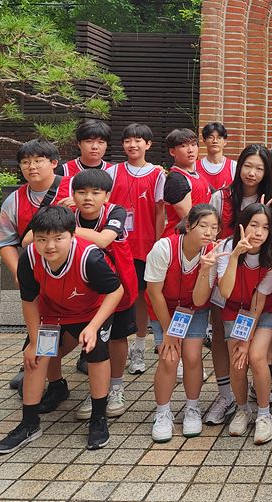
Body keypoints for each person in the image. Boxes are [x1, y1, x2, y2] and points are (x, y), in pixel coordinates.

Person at [0, 206, 123, 455]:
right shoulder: (29, 258)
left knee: (96, 353)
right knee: (36, 357)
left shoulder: (90, 258)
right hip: (52, 312)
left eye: (58, 238)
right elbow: (29, 300)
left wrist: (93, 327)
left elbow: (116, 291)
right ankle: (29, 423)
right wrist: (34, 341)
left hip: (91, 312)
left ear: (72, 235)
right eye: (42, 239)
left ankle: (98, 418)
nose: (49, 246)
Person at [0, 139, 72, 396]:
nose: (32, 167)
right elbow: (5, 242)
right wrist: (19, 272)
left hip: (76, 272)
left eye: (38, 161)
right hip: (38, 274)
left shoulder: (74, 188)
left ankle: (82, 357)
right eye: (26, 162)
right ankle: (42, 370)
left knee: (77, 323)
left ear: (54, 163)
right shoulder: (14, 201)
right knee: (42, 322)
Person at [205, 144, 272, 426]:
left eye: (259, 168)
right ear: (239, 166)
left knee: (259, 345)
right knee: (223, 338)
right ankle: (227, 396)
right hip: (225, 273)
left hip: (258, 280)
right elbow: (209, 232)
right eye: (248, 166)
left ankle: (259, 393)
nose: (252, 173)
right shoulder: (221, 197)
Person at [208, 203, 272, 444]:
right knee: (237, 361)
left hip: (264, 308)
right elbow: (225, 290)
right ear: (242, 225)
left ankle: (264, 414)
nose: (259, 232)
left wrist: (246, 338)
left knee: (256, 355)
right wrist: (234, 256)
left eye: (265, 227)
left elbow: (259, 300)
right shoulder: (226, 247)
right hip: (233, 306)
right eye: (254, 225)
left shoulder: (271, 256)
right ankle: (243, 409)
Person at [145, 204, 220, 443]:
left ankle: (192, 408)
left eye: (214, 228)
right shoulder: (163, 248)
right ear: (188, 226)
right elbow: (154, 292)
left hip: (193, 308)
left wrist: (205, 269)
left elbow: (199, 299)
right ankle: (162, 413)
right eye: (203, 226)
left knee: (192, 356)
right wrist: (169, 331)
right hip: (163, 307)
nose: (209, 232)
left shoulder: (213, 253)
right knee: (169, 357)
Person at [70, 169, 139, 421]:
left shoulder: (115, 212)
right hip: (85, 289)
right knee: (96, 339)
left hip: (118, 286)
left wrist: (65, 228)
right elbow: (32, 237)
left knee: (117, 338)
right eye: (81, 192)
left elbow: (103, 240)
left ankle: (116, 387)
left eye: (95, 192)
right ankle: (97, 391)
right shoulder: (69, 214)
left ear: (107, 196)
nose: (88, 198)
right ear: (73, 195)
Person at [107, 123, 165, 376]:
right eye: (128, 140)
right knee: (114, 295)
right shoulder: (112, 172)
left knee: (141, 296)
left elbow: (160, 212)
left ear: (148, 144)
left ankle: (139, 347)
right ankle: (111, 346)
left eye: (138, 140)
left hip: (144, 247)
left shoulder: (158, 175)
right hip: (115, 247)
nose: (133, 145)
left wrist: (158, 244)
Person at [161, 128, 211, 237]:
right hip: (179, 239)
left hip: (198, 236)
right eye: (183, 146)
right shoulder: (176, 179)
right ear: (172, 151)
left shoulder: (199, 176)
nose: (190, 150)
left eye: (193, 144)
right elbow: (189, 219)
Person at [197, 122, 236, 192]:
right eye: (210, 137)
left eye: (219, 138)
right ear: (204, 141)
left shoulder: (233, 167)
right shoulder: (195, 167)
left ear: (225, 142)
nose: (215, 141)